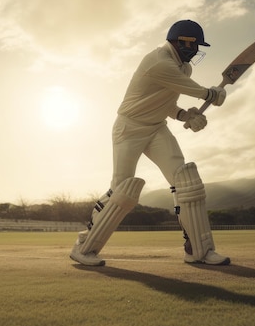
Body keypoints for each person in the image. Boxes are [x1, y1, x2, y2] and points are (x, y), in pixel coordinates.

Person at [70, 20, 230, 266]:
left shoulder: (183, 68)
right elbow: (191, 89)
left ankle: (199, 250)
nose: (197, 50)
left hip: (156, 129)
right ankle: (85, 247)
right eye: (196, 44)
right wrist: (211, 94)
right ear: (182, 41)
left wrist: (184, 115)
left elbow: (165, 103)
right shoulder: (159, 61)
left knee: (187, 182)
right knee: (123, 191)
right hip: (129, 128)